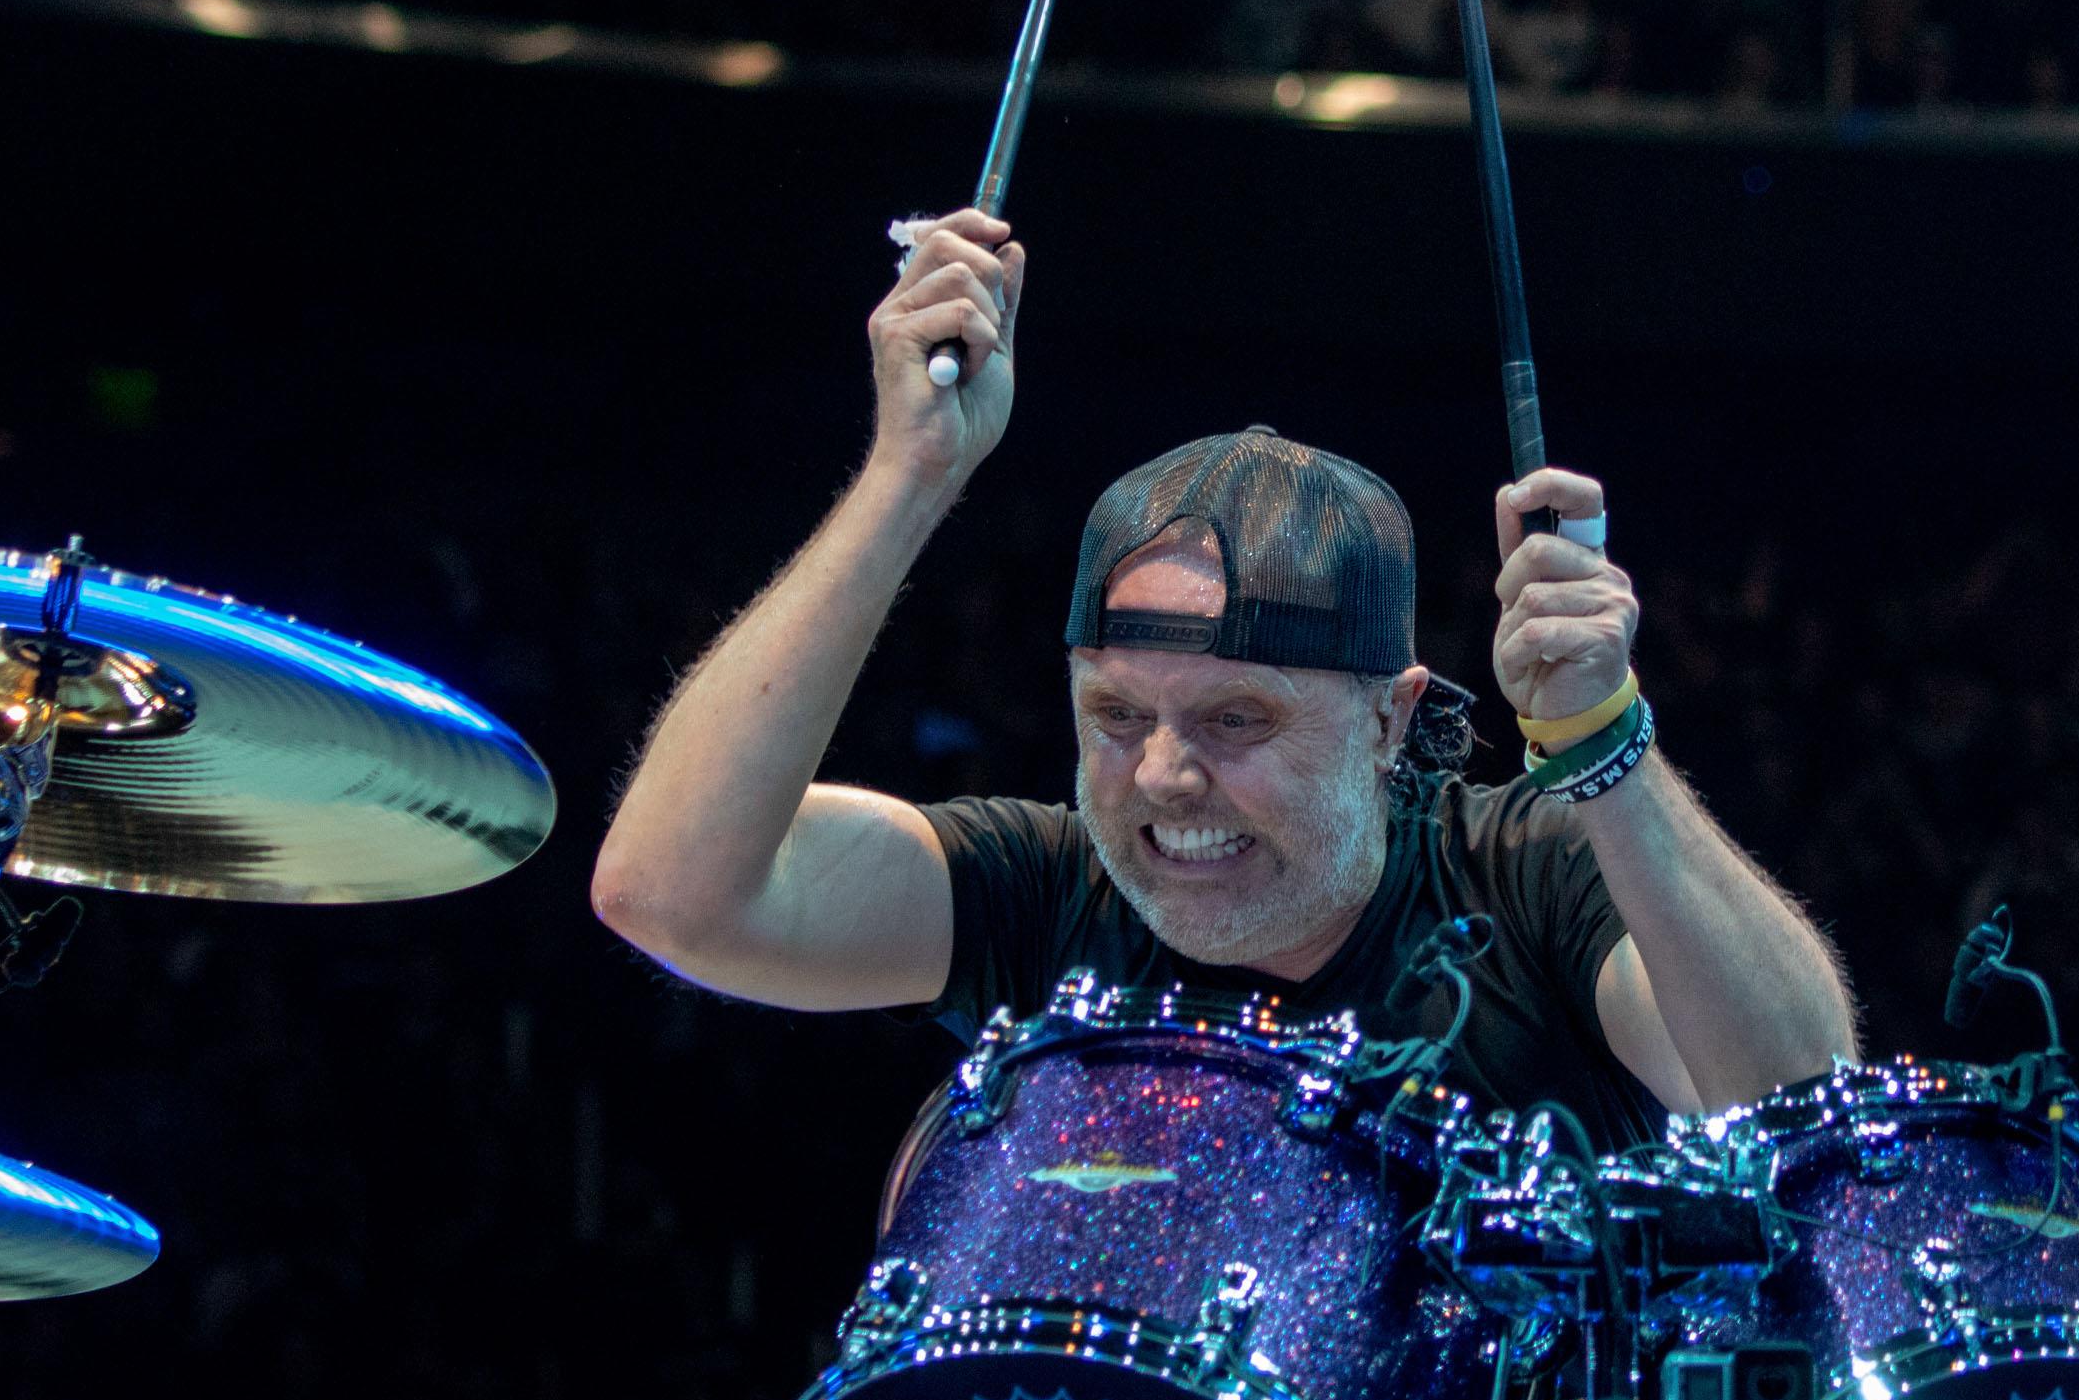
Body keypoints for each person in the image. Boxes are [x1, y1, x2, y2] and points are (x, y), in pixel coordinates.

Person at [590, 207, 1856, 1142]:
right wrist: (904, 478)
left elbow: (1802, 1100)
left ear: (1391, 718)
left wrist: (1601, 742)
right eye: (1115, 712)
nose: (1163, 773)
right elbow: (673, 894)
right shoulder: (1043, 892)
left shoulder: (1530, 878)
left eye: (1236, 718)